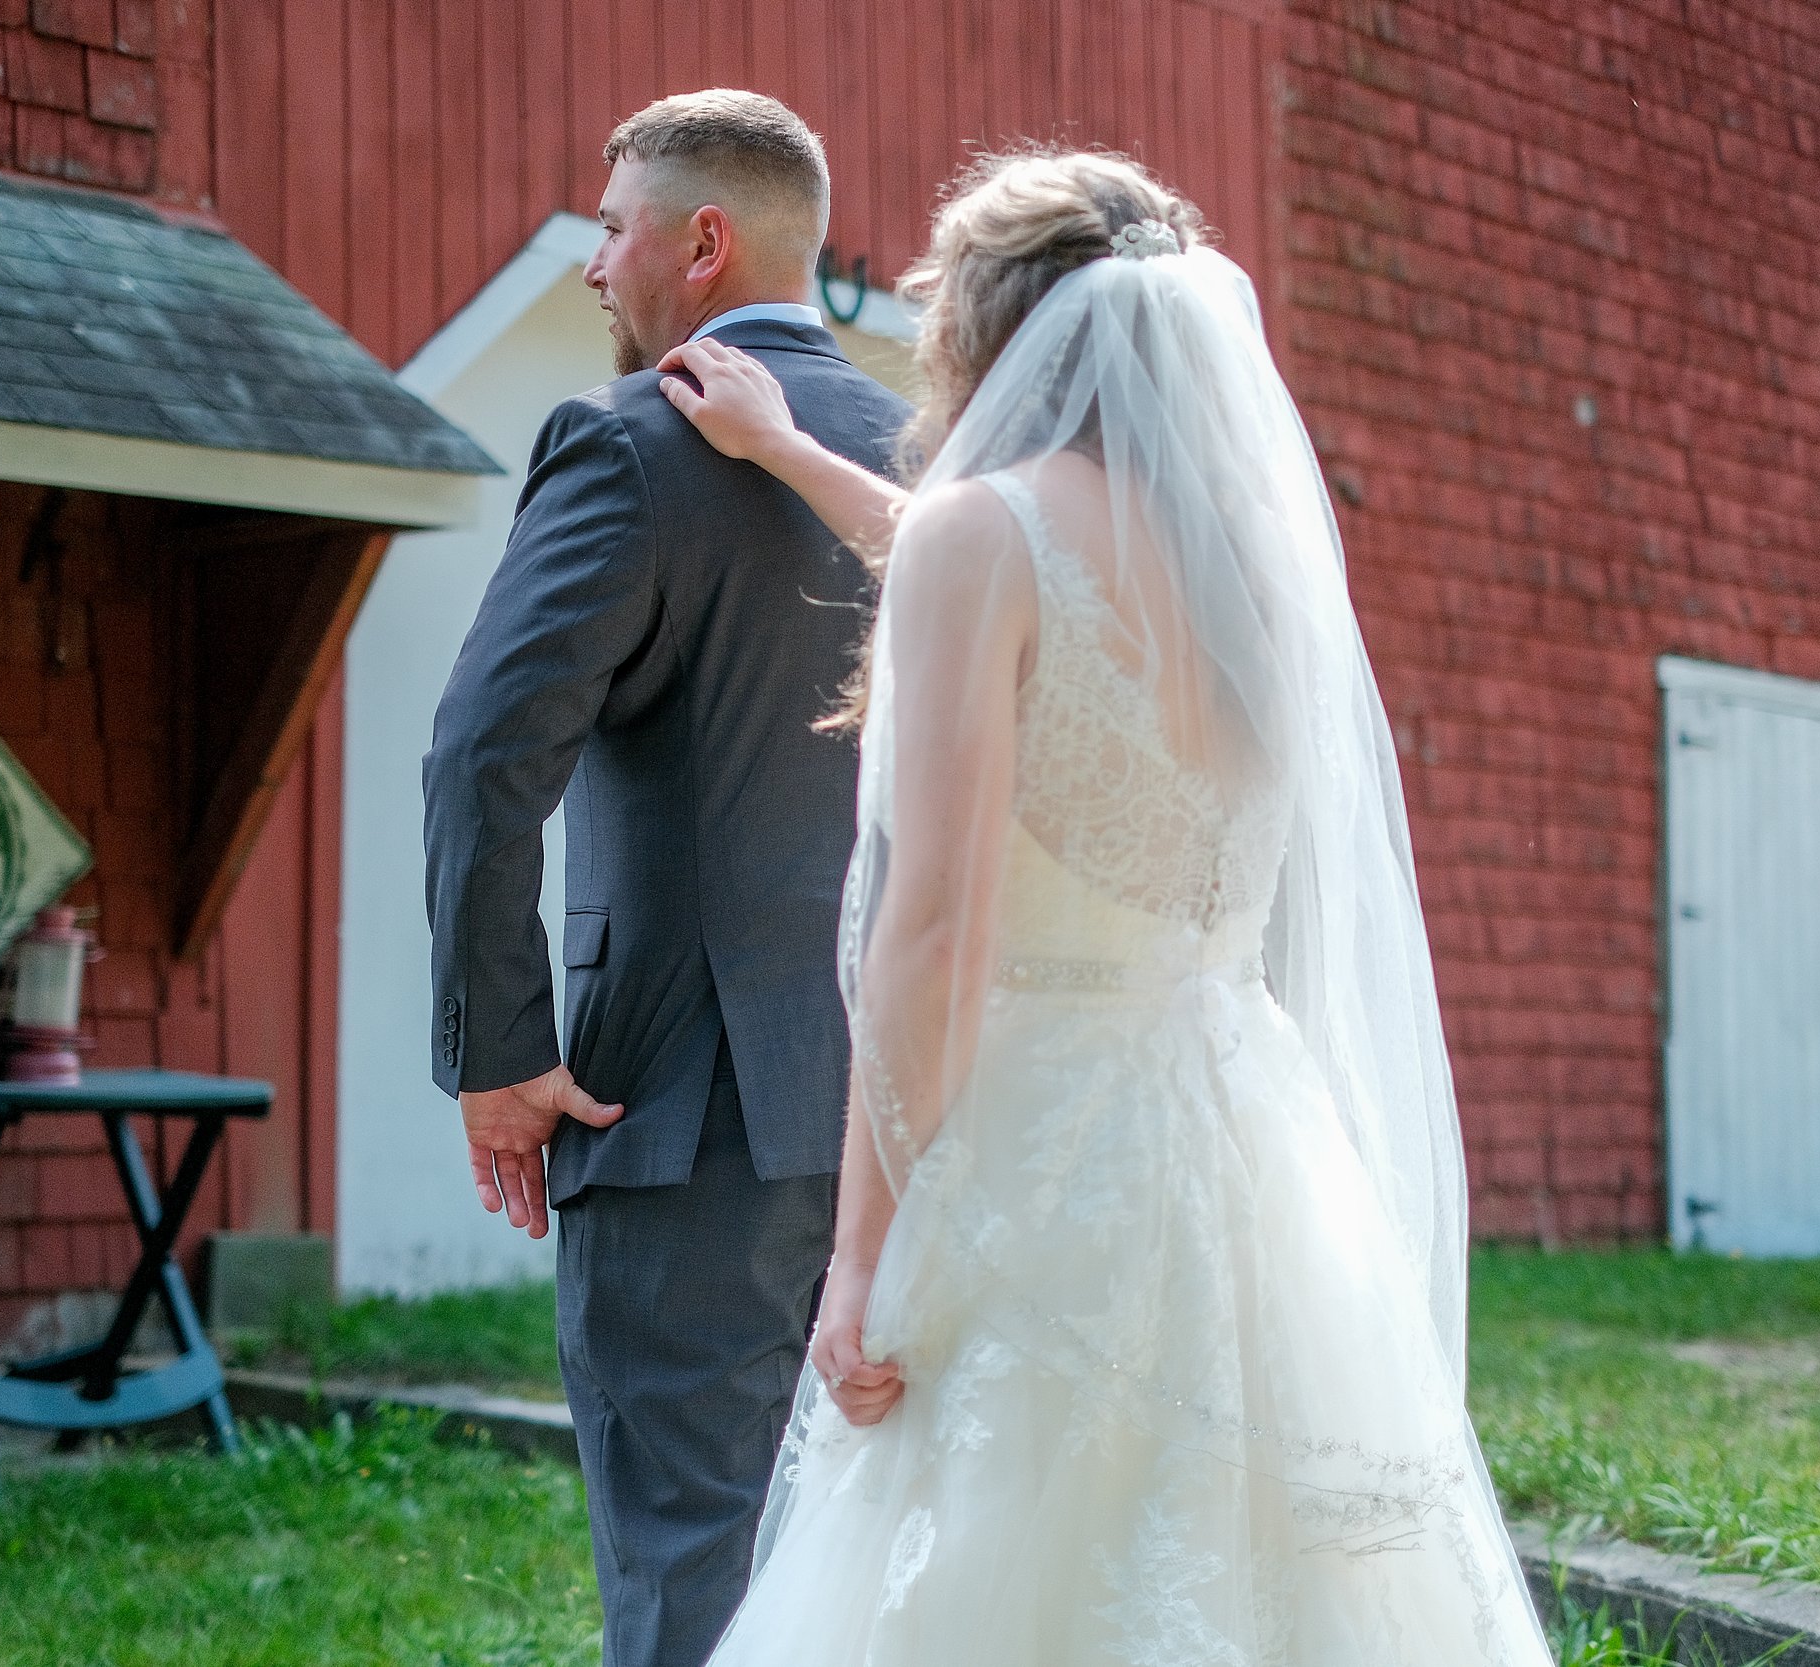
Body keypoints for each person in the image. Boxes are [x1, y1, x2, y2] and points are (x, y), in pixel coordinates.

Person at [654, 150, 1555, 1665]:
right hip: (1249, 1130)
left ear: (989, 333)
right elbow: (1037, 615)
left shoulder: (981, 533)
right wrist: (797, 455)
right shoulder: (1254, 572)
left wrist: (862, 1254)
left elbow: (927, 933)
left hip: (1043, 1137)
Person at [420, 90, 912, 1667]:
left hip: (684, 1115)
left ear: (704, 245)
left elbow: (482, 758)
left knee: (693, 1558)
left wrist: (498, 1053)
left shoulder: (629, 445)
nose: (592, 267)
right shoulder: (943, 464)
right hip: (923, 1109)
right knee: (879, 1558)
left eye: (611, 226)